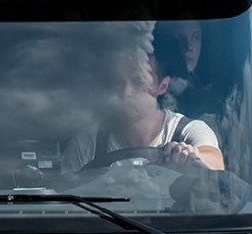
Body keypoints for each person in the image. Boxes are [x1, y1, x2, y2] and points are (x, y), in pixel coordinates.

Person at [62, 36, 224, 172]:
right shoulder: (86, 144)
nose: (126, 92)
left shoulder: (189, 132)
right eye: (119, 81)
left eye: (138, 81)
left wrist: (191, 156)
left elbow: (215, 164)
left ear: (162, 86)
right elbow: (67, 202)